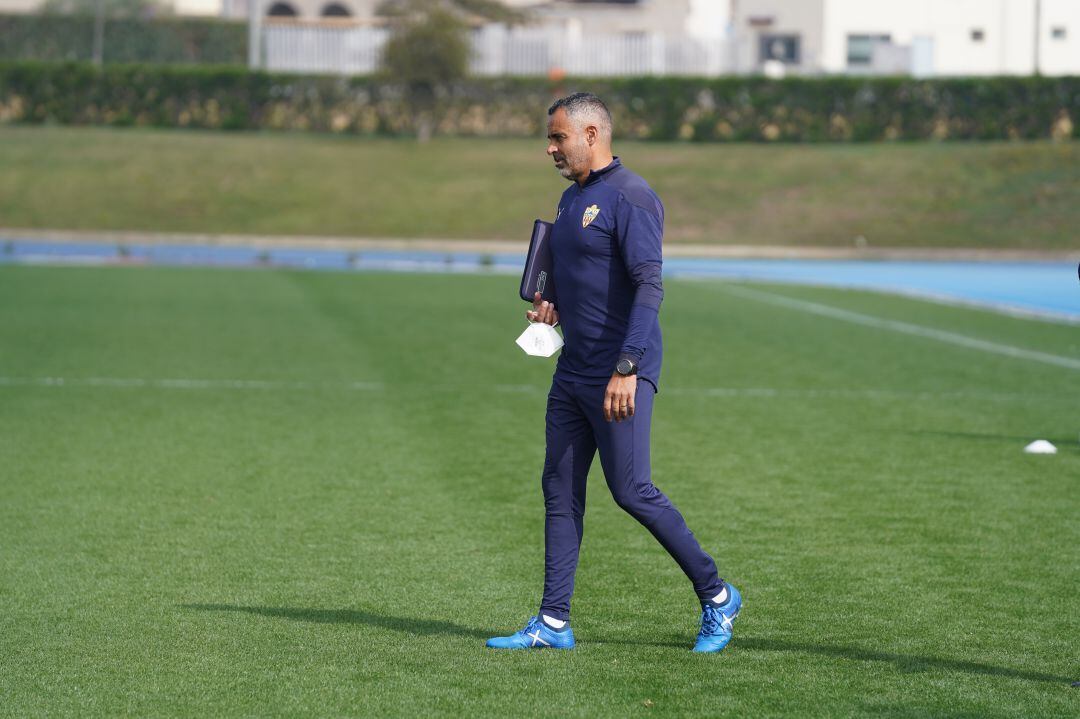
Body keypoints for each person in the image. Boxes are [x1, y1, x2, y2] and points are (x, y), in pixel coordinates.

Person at [486, 93, 740, 653]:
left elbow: (649, 286)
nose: (550, 148)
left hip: (620, 370)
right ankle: (553, 622)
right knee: (559, 488)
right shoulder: (571, 197)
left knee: (631, 490)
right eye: (549, 139)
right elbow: (581, 279)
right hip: (573, 369)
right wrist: (552, 306)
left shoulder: (632, 196)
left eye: (559, 138)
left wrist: (627, 367)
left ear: (593, 133)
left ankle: (718, 595)